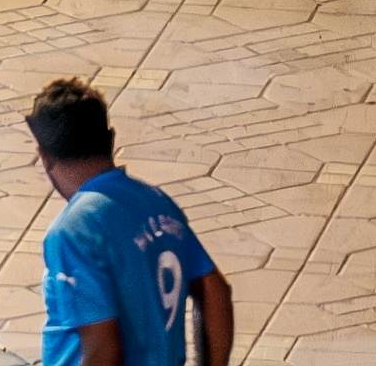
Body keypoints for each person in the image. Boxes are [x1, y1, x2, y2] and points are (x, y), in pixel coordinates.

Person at [26, 78, 232, 366]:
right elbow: (215, 291)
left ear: (45, 157)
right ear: (110, 140)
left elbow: (104, 350)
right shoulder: (156, 202)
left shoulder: (72, 232)